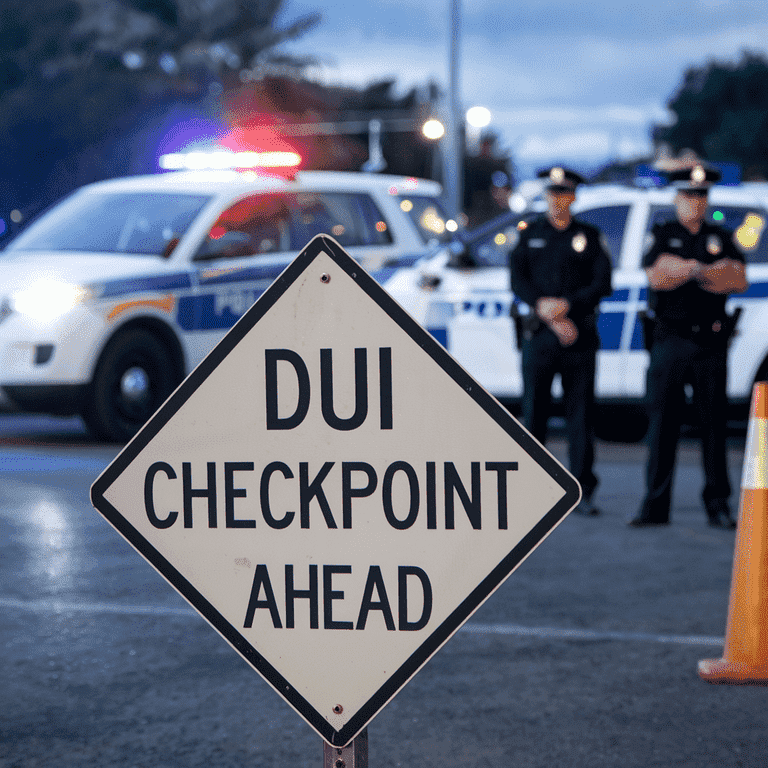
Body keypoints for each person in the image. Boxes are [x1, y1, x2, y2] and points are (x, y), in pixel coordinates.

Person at [629, 164, 749, 529]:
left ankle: (718, 504)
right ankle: (655, 505)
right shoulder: (663, 234)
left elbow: (737, 278)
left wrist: (689, 269)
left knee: (714, 427)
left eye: (701, 195)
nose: (695, 202)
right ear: (677, 198)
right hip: (670, 340)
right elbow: (658, 276)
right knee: (663, 424)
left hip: (710, 342)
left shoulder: (721, 235)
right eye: (689, 195)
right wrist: (706, 270)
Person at [509, 167, 613, 516]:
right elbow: (518, 280)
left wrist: (568, 306)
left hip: (579, 338)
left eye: (563, 193)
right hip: (539, 336)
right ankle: (533, 492)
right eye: (552, 192)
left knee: (580, 416)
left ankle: (583, 491)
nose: (557, 199)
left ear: (573, 197)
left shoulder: (590, 236)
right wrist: (548, 313)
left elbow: (602, 283)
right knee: (534, 414)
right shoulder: (529, 234)